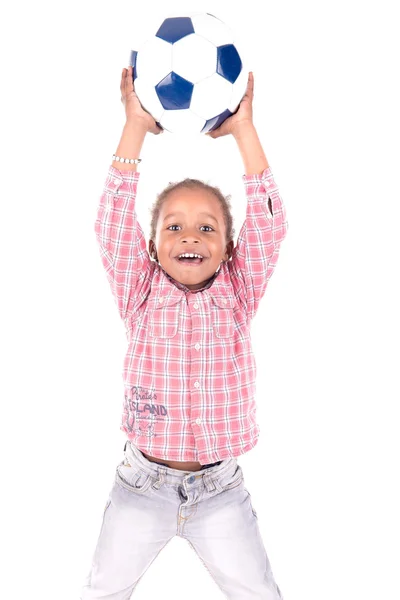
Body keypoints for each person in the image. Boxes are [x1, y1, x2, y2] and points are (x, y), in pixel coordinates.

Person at [80, 65, 288, 599]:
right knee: (104, 588)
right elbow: (110, 221)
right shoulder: (140, 290)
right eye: (173, 226)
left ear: (229, 247)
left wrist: (244, 131)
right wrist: (134, 128)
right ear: (151, 247)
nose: (189, 236)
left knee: (259, 591)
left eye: (207, 227)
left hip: (219, 491)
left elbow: (269, 224)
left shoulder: (238, 292)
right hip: (141, 488)